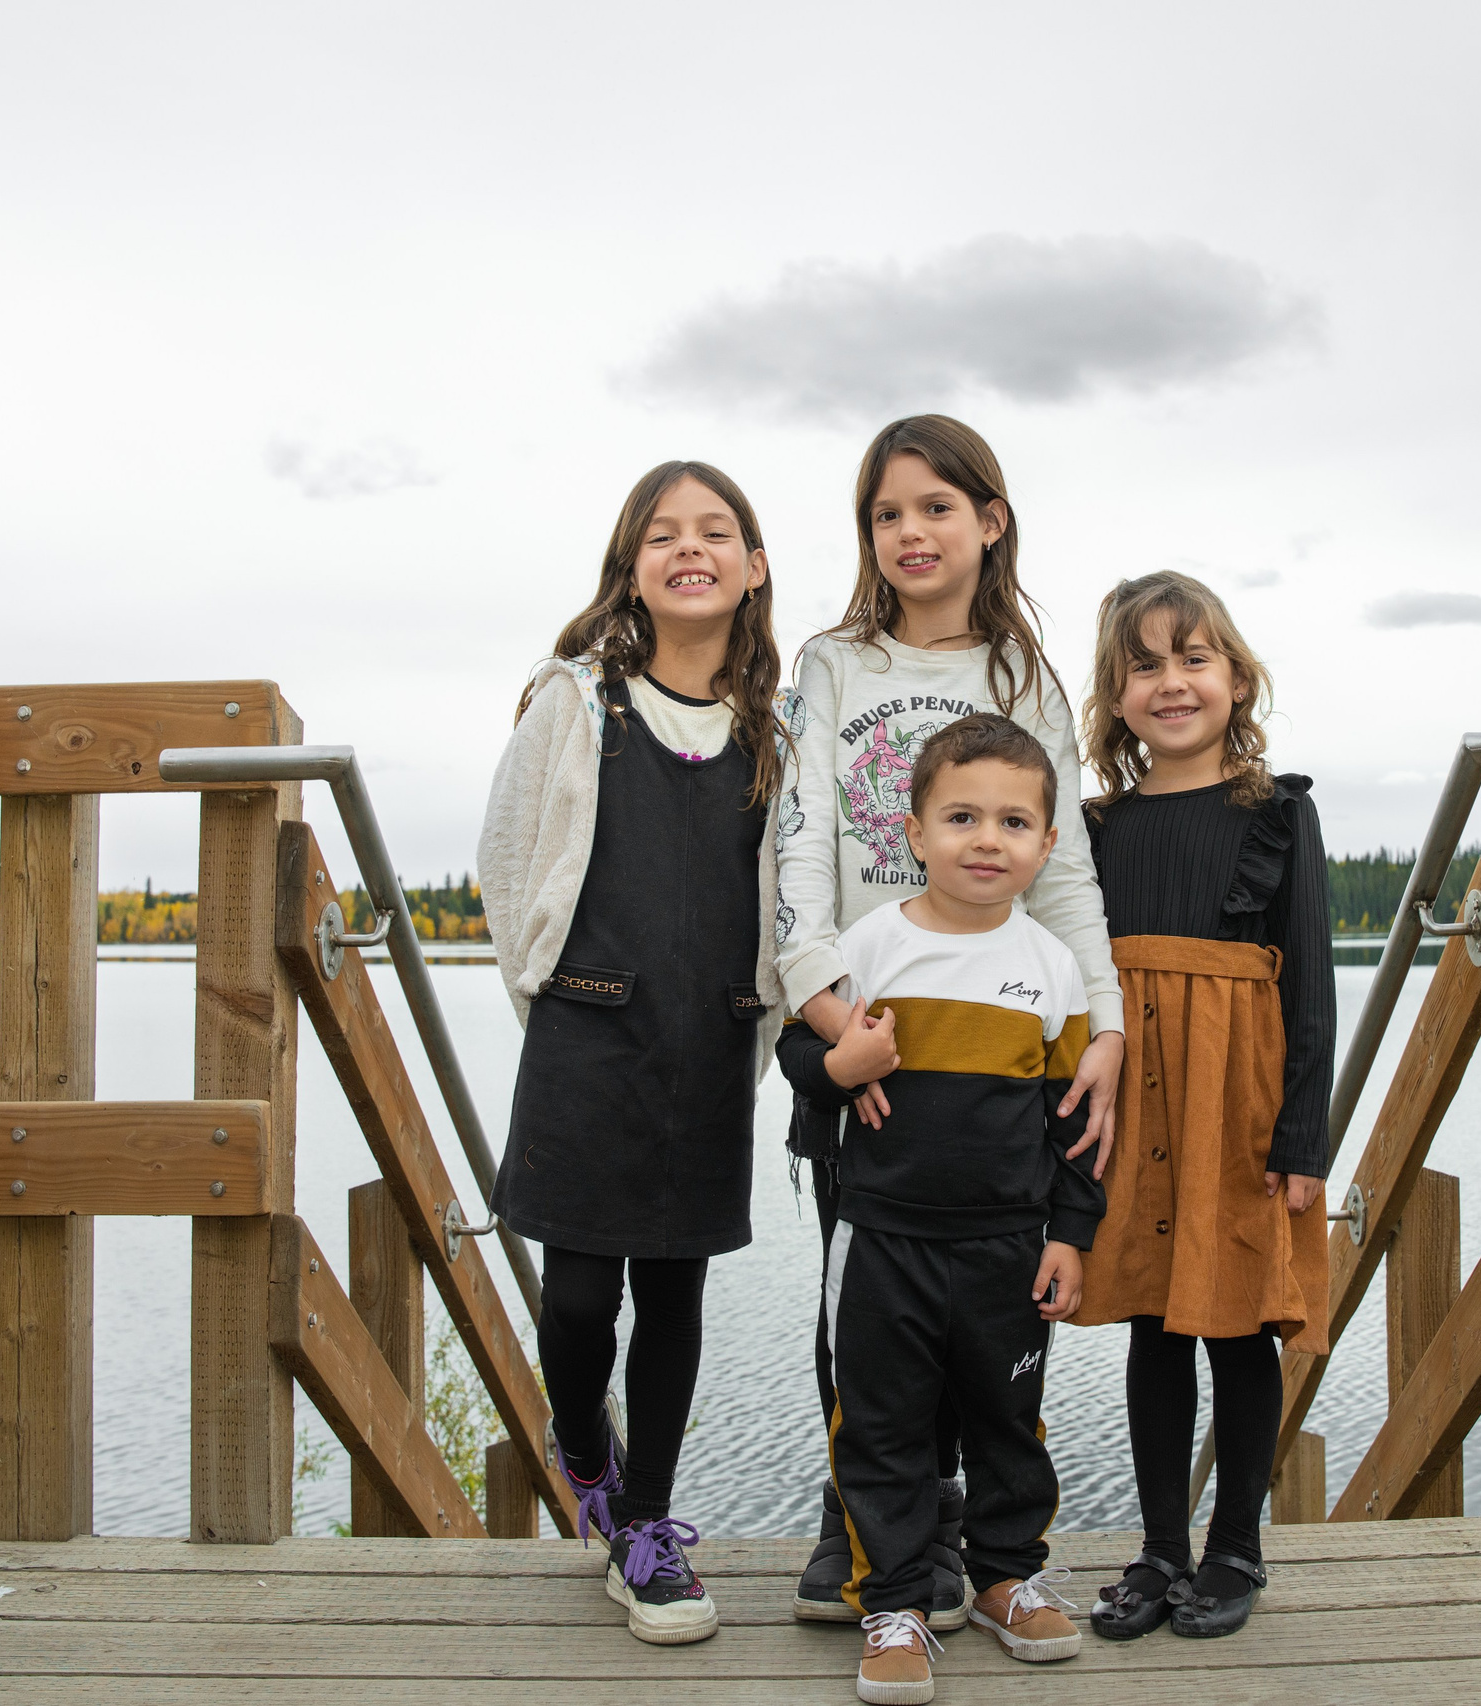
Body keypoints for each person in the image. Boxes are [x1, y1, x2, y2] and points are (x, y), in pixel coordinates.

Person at [776, 415, 1127, 1628]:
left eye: (936, 506)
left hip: (999, 1022)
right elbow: (799, 847)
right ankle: (866, 1530)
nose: (911, 532)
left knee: (979, 1319)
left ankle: (970, 1556)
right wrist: (833, 1022)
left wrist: (1109, 1029)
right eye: (887, 513)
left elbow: (1069, 868)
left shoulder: (1024, 680)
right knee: (862, 1294)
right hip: (862, 1014)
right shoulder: (833, 663)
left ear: (990, 520)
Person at [474, 460, 793, 1645]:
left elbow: (784, 891)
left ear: (753, 567)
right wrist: (549, 999)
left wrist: (756, 1019)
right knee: (576, 1294)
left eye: (717, 532)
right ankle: (577, 1437)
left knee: (674, 1291)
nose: (691, 548)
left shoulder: (776, 729)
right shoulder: (575, 699)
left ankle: (646, 1528)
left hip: (708, 1039)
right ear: (632, 568)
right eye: (664, 534)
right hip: (584, 1033)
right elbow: (509, 864)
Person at [777, 713, 1102, 1705]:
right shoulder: (868, 947)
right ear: (913, 832)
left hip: (1005, 1247)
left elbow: (1073, 1125)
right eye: (961, 816)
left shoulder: (1053, 967)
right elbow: (801, 1058)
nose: (986, 838)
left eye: (1013, 820)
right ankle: (897, 1602)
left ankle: (1007, 1574)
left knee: (1009, 1419)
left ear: (1047, 844)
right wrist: (840, 1064)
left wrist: (1070, 1234)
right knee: (882, 1426)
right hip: (882, 1242)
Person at [1069, 570, 1337, 1641]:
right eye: (1144, 665)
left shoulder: (1277, 813)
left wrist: (1302, 1134)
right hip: (1138, 1094)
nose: (1171, 682)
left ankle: (1235, 1545)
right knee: (1151, 1315)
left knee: (1235, 1321)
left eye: (1193, 659)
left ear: (1235, 677)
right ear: (1116, 694)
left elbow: (1310, 979)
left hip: (1241, 1097)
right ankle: (1159, 1548)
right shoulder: (1099, 826)